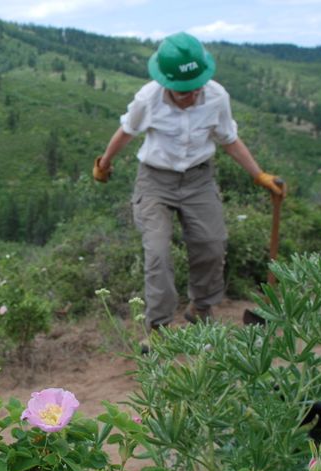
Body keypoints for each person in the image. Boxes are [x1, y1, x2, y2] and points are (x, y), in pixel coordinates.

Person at [93, 32, 285, 329]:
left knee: (212, 244)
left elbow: (229, 140)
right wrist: (103, 165)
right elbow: (126, 132)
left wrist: (258, 174)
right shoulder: (148, 99)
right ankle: (157, 328)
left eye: (196, 88)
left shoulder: (217, 96)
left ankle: (201, 309)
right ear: (167, 83)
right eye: (184, 91)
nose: (192, 95)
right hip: (155, 181)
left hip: (199, 178)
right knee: (157, 252)